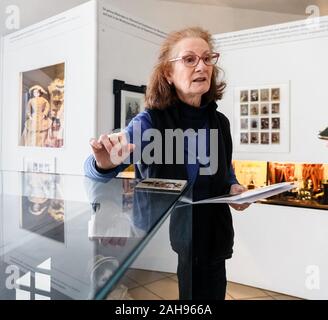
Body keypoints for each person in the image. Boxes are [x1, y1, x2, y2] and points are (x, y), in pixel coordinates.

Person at [84, 27, 250, 300]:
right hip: (176, 229)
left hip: (215, 231)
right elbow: (99, 167)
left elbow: (226, 169)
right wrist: (102, 163)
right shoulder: (150, 121)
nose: (202, 66)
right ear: (168, 74)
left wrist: (234, 187)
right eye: (189, 59)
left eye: (208, 59)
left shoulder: (220, 122)